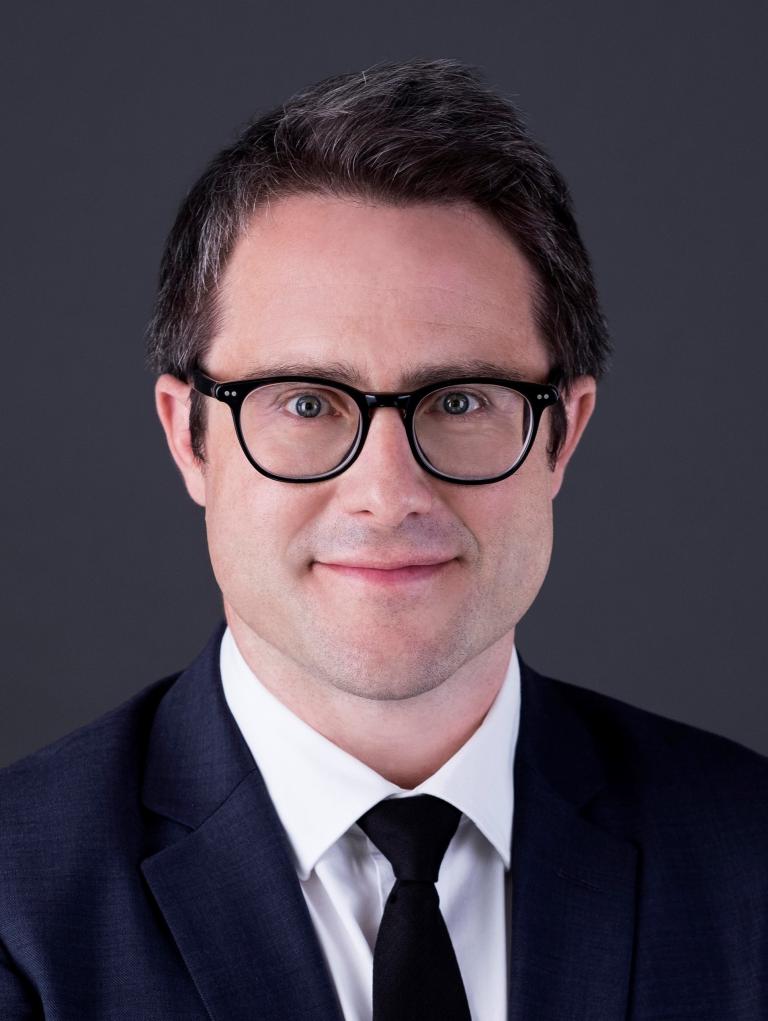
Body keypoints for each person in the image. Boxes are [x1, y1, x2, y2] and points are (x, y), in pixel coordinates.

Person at [1, 58, 766, 1021]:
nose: (387, 490)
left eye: (458, 400)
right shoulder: (16, 907)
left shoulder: (752, 860)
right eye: (308, 402)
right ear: (187, 437)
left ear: (563, 434)